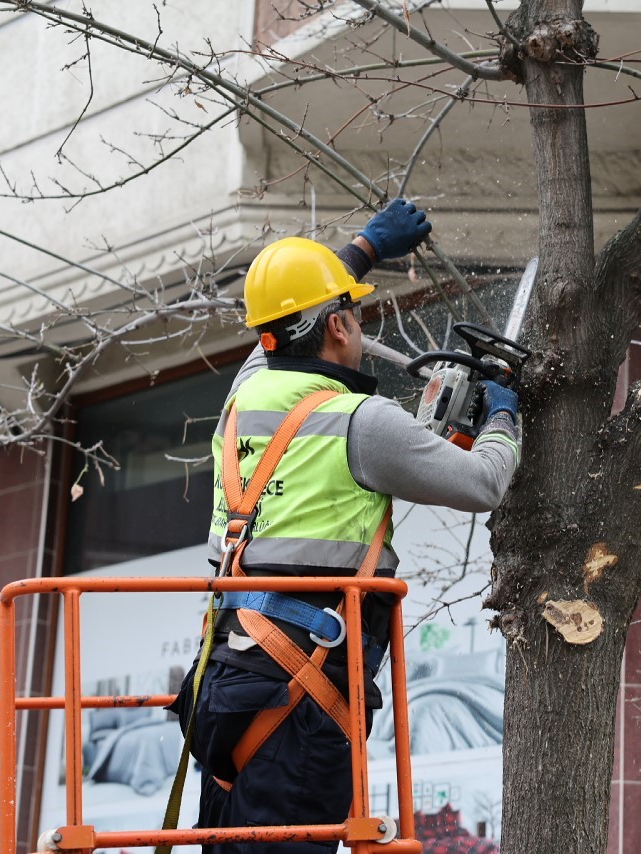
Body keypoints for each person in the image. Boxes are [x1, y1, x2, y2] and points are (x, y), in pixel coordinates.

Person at [170, 199, 522, 853]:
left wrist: (364, 249)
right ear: (337, 324)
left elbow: (276, 327)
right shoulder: (363, 420)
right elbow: (484, 483)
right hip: (298, 699)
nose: (359, 329)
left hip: (221, 685)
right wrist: (504, 413)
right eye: (353, 314)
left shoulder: (245, 396)